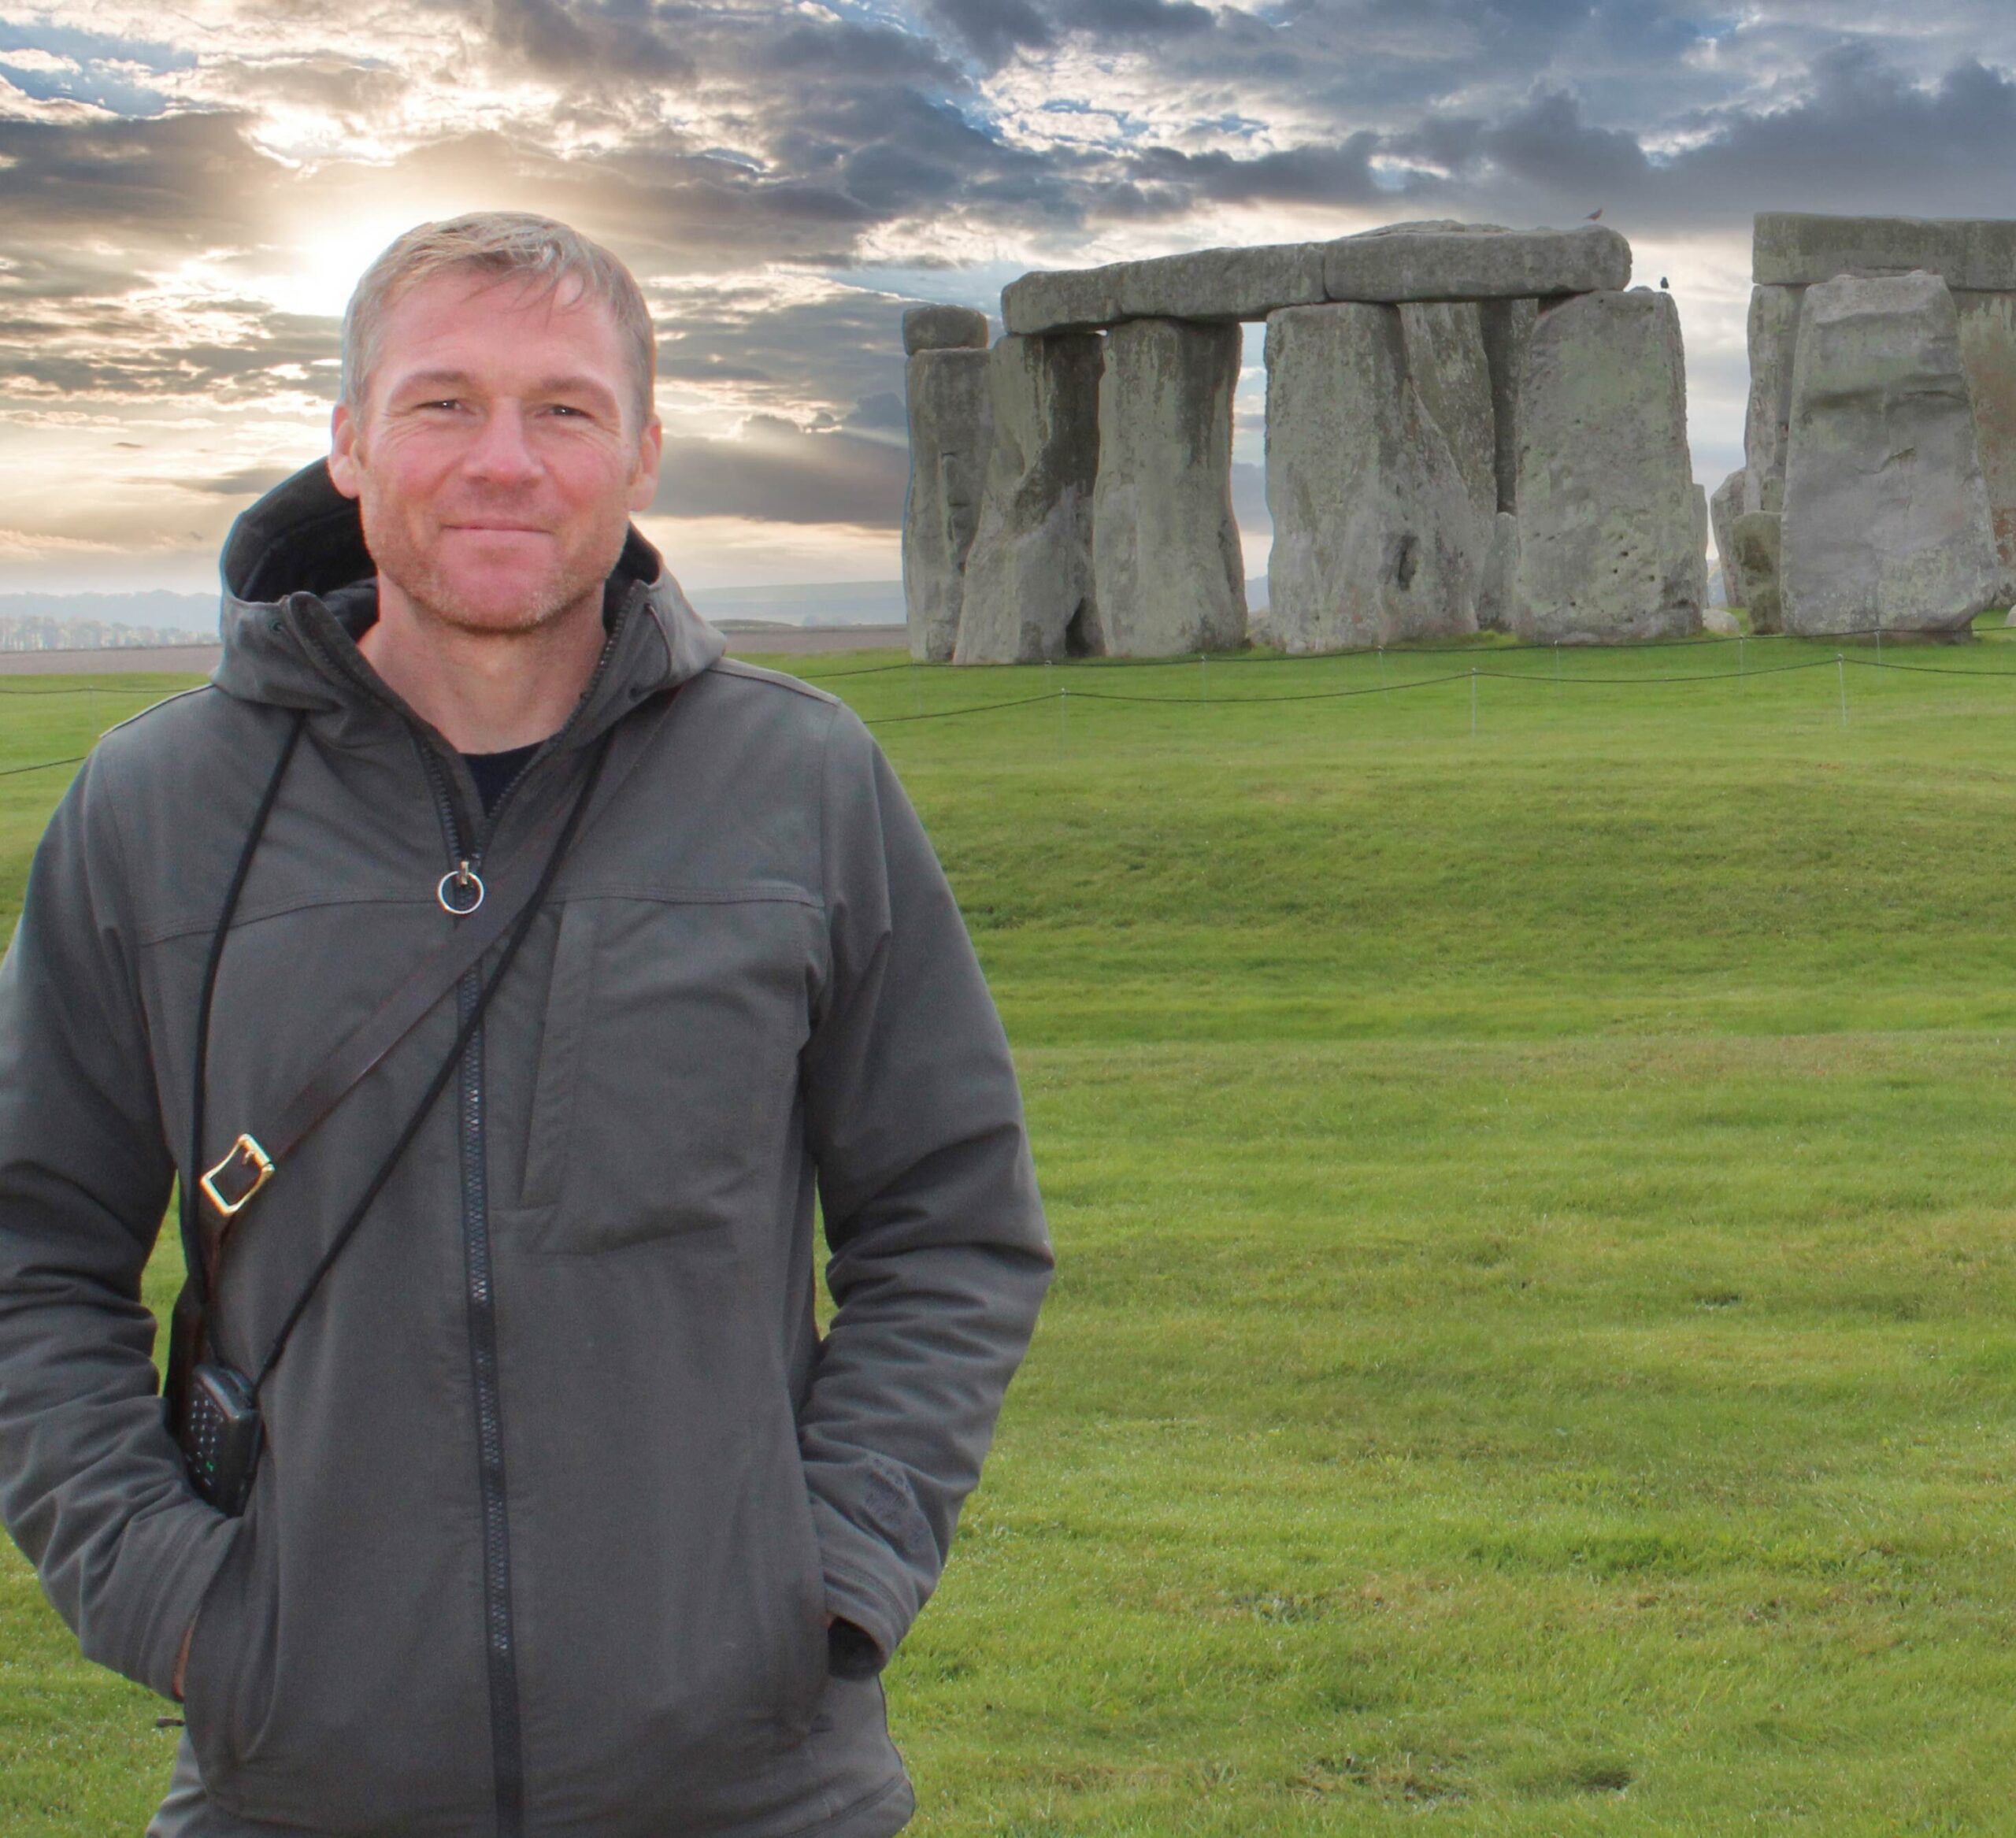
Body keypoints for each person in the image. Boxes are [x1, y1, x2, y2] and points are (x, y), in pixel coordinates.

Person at [0, 213, 1052, 1837]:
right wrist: (174, 1603)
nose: (503, 460)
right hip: (301, 1778)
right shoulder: (156, 809)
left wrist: (831, 1571)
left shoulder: (800, 780)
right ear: (348, 444)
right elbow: (30, 1249)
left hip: (751, 1775)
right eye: (441, 404)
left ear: (640, 450)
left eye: (561, 408)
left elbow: (953, 1226)